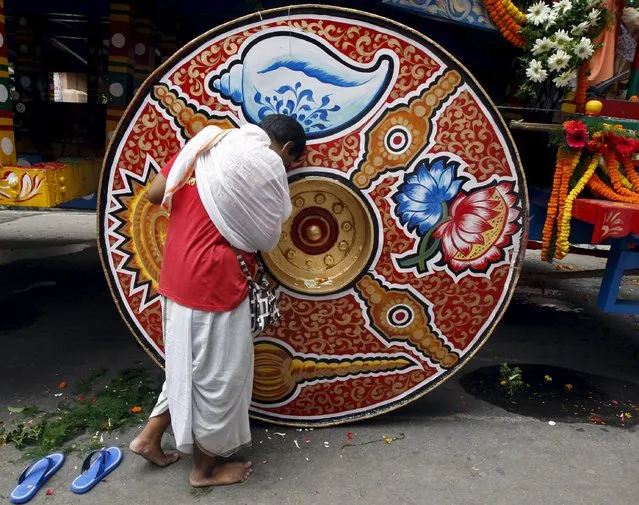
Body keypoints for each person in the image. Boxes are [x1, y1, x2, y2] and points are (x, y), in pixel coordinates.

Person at [129, 114, 306, 487]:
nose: (284, 172)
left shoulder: (205, 145)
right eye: (290, 165)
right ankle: (203, 469)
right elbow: (267, 237)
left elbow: (155, 194)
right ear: (287, 150)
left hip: (176, 272)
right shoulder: (265, 162)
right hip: (212, 281)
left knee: (185, 367)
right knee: (218, 377)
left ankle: (149, 438)